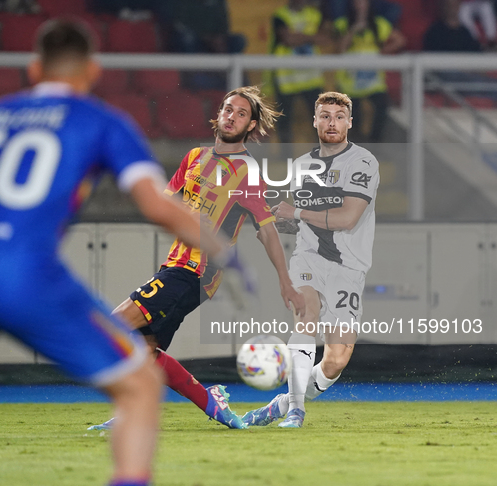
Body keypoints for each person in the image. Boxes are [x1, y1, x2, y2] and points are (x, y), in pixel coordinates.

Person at [0, 19, 228, 486]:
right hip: (21, 273)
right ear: (93, 70)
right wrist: (219, 246)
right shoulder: (99, 119)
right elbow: (155, 203)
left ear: (34, 68)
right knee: (139, 384)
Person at [89, 86, 307, 431]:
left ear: (251, 126)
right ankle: (208, 402)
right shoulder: (194, 158)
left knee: (111, 328)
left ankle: (148, 409)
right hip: (173, 266)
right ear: (218, 114)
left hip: (195, 273)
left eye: (240, 113)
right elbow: (164, 203)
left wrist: (286, 282)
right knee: (145, 352)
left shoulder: (248, 172)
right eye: (227, 109)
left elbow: (266, 230)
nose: (231, 116)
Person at [241, 91, 379, 428]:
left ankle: (281, 403)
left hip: (349, 268)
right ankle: (296, 411)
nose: (331, 122)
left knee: (335, 362)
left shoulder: (363, 162)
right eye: (325, 116)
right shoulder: (302, 165)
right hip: (308, 259)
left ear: (349, 122)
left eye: (338, 116)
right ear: (314, 120)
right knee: (307, 314)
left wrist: (296, 211)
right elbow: (302, 221)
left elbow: (347, 218)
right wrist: (272, 225)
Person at [334, 0, 405, 143]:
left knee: (383, 107)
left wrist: (381, 53)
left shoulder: (378, 24)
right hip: (350, 83)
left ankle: (374, 142)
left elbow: (400, 40)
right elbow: (339, 50)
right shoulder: (342, 24)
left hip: (373, 81)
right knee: (354, 118)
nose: (360, 6)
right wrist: (354, 29)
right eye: (356, 3)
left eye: (363, 3)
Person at [267, 0, 331, 145]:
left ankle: (325, 155)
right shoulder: (280, 16)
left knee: (321, 119)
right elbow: (288, 39)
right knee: (285, 120)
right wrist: (310, 37)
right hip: (287, 78)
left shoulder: (315, 14)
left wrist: (300, 36)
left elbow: (326, 38)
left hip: (310, 77)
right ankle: (286, 158)